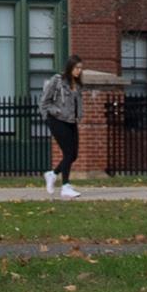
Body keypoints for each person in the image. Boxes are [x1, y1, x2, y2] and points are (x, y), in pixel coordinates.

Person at [38, 55, 86, 199]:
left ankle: (52, 174)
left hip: (71, 121)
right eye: (77, 68)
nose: (79, 71)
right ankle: (65, 186)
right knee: (69, 153)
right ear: (70, 67)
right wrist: (49, 117)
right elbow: (44, 101)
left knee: (73, 154)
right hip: (57, 120)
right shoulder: (57, 80)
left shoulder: (77, 85)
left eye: (81, 68)